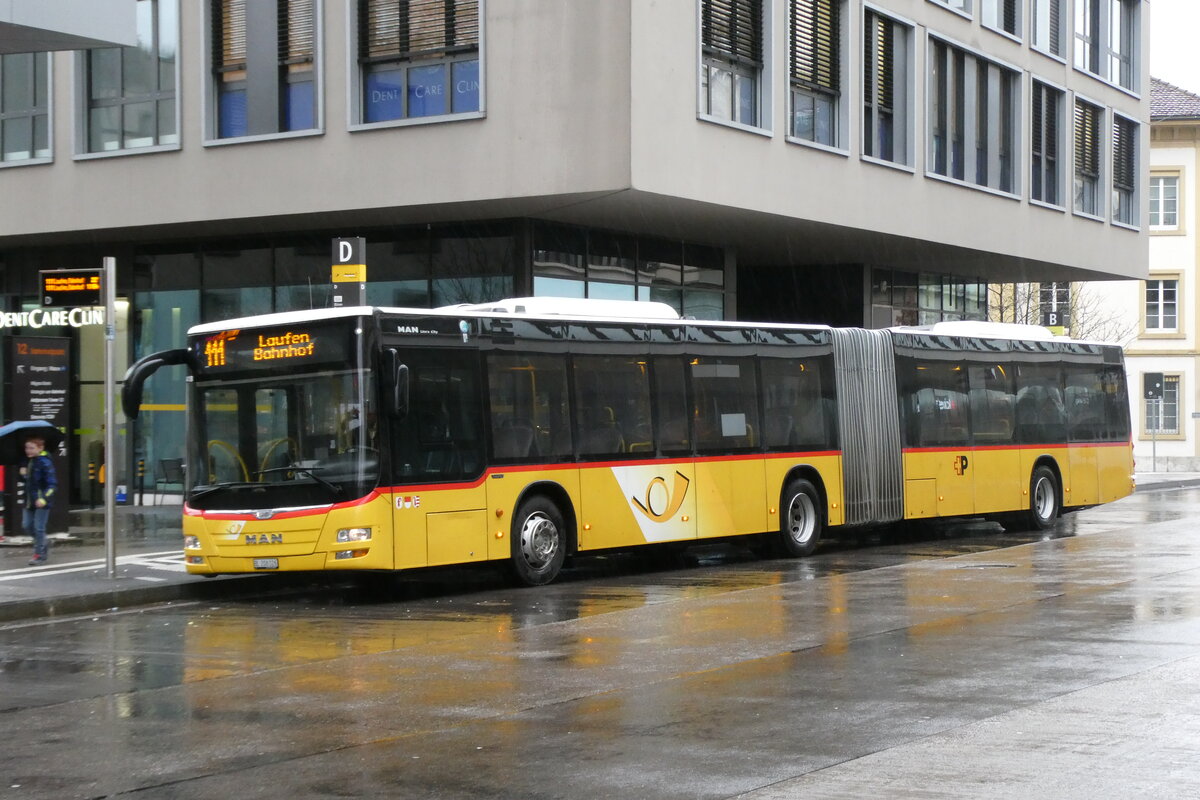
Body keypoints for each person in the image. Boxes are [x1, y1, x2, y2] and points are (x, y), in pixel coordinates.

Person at [21, 435, 57, 566]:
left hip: (42, 501)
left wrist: (44, 499)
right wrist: (23, 474)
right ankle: (43, 542)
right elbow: (28, 482)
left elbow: (52, 484)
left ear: (40, 448)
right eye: (26, 448)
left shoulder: (45, 462)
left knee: (39, 528)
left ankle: (39, 555)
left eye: (31, 448)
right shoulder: (27, 461)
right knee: (26, 525)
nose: (28, 450)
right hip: (29, 500)